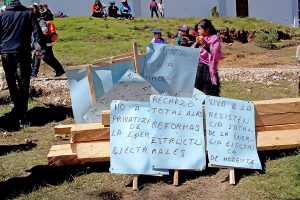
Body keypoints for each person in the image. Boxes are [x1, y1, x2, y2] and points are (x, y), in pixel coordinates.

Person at [0, 0, 46, 127]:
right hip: (23, 53)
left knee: (11, 82)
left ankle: (17, 108)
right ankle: (22, 115)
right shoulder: (28, 13)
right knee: (23, 82)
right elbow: (38, 34)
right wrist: (39, 48)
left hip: (6, 53)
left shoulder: (2, 16)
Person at [31, 11, 65, 78]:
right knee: (47, 58)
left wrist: (39, 35)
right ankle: (60, 71)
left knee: (38, 57)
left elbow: (44, 30)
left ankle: (34, 73)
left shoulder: (41, 21)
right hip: (42, 43)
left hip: (42, 43)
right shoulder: (38, 21)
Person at [192, 19, 222, 96]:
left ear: (207, 29)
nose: (197, 31)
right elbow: (192, 51)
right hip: (198, 67)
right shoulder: (201, 38)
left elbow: (215, 53)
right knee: (197, 89)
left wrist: (204, 44)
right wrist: (197, 44)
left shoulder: (214, 38)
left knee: (209, 90)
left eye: (199, 29)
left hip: (208, 68)